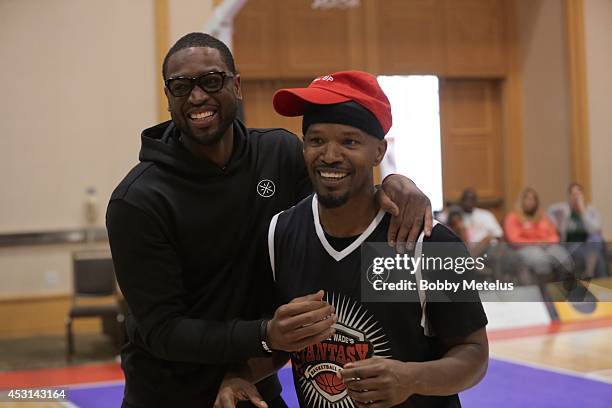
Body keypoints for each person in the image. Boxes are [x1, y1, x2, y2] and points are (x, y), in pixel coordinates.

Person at [106, 33, 433, 407]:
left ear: (236, 85)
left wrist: (393, 182)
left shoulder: (278, 153)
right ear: (168, 96)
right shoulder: (138, 200)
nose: (197, 97)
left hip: (254, 382)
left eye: (211, 81)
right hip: (169, 393)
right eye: (181, 86)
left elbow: (338, 191)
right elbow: (161, 330)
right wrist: (266, 335)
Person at [217, 71, 489, 407]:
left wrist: (411, 378)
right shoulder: (279, 233)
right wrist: (239, 375)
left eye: (349, 141)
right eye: (316, 140)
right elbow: (281, 339)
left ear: (379, 152)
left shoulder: (427, 242)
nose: (330, 155)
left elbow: (474, 353)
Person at [504, 187, 572, 282]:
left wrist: (546, 243)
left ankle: (561, 290)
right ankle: (544, 292)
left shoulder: (543, 216)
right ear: (521, 201)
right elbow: (514, 239)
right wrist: (535, 243)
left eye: (533, 199)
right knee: (542, 262)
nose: (531, 202)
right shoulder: (512, 217)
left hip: (547, 246)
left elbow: (554, 236)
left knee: (564, 259)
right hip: (525, 247)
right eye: (528, 199)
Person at [548, 183, 607, 278]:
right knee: (598, 259)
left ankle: (589, 273)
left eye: (578, 194)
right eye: (573, 194)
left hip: (590, 244)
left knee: (596, 240)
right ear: (569, 196)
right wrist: (558, 222)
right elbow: (550, 212)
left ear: (583, 195)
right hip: (572, 244)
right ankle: (597, 282)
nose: (576, 197)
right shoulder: (564, 210)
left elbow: (594, 230)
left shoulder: (591, 211)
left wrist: (583, 211)